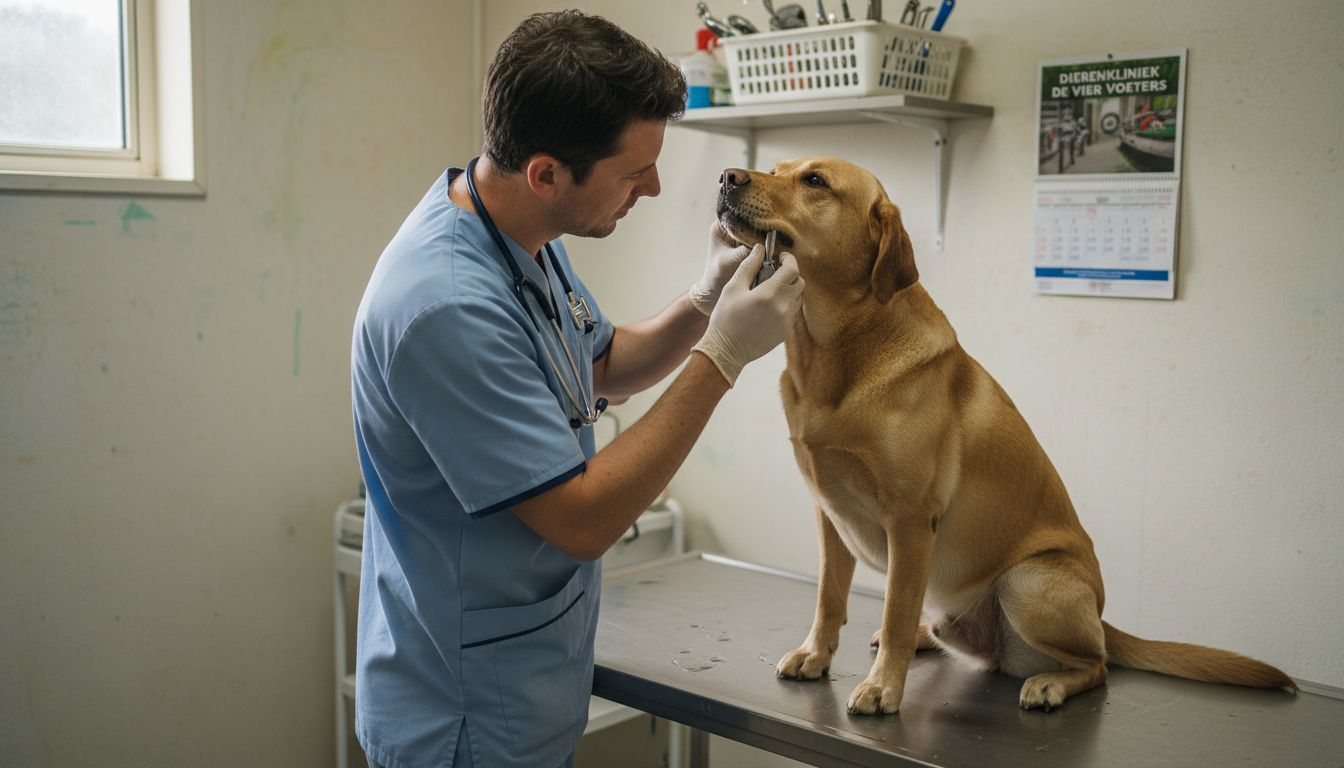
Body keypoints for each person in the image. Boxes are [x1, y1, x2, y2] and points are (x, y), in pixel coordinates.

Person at [349, 10, 804, 768]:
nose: (655, 188)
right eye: (634, 172)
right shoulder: (447, 306)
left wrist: (702, 300)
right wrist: (724, 356)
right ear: (547, 173)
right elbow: (585, 518)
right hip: (463, 719)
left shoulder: (516, 235)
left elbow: (596, 365)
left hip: (521, 680)